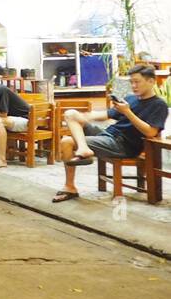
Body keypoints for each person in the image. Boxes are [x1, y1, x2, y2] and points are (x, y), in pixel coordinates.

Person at [53, 64, 169, 203]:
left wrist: (128, 112)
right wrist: (86, 117)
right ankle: (84, 149)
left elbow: (150, 132)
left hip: (123, 145)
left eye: (137, 82)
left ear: (151, 81)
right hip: (108, 135)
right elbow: (108, 114)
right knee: (70, 114)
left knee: (67, 141)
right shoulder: (131, 98)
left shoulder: (158, 105)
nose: (133, 85)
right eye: (131, 82)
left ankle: (70, 186)